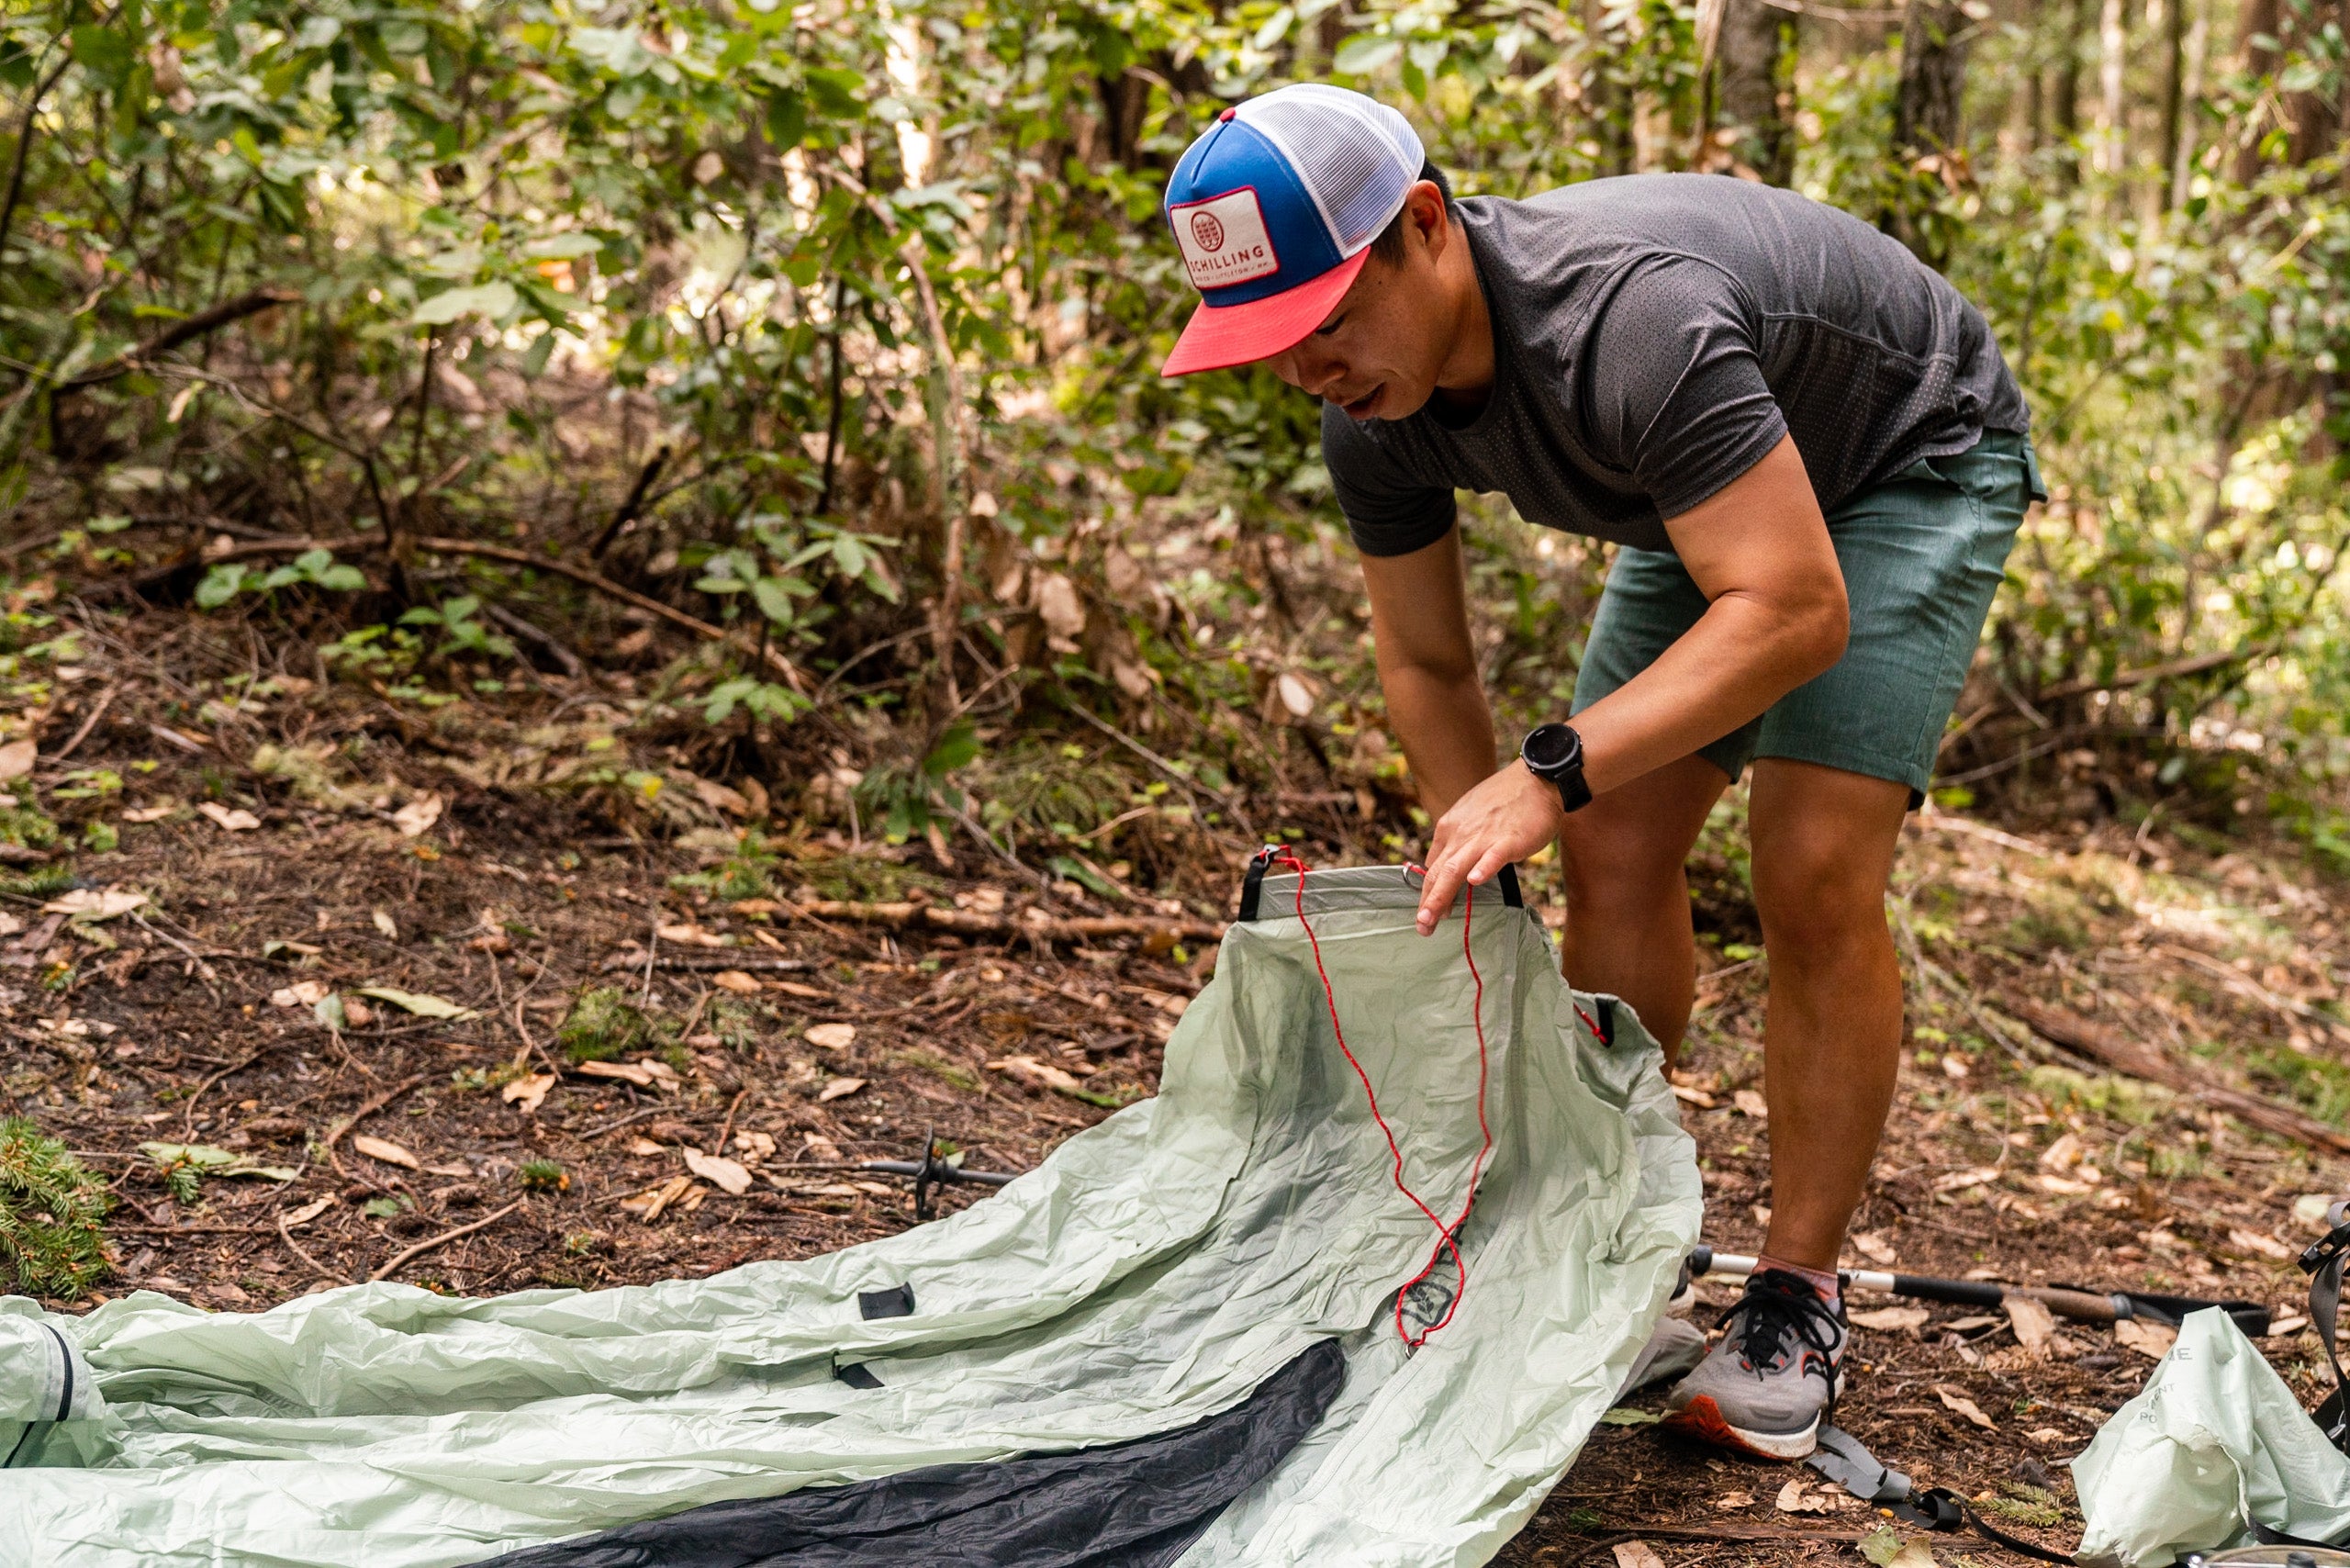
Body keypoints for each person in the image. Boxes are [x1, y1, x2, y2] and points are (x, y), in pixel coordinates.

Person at [1156, 84, 2041, 1461]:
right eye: (1271, 343)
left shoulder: (1627, 324)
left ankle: (1796, 1303)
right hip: (1717, 490)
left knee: (1808, 862)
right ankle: (1609, 1242)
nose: (1309, 369)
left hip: (1905, 455)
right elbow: (1430, 669)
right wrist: (1485, 841)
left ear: (1426, 227)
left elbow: (1797, 609)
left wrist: (1544, 770)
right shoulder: (1372, 415)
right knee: (1610, 843)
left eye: (1326, 319)